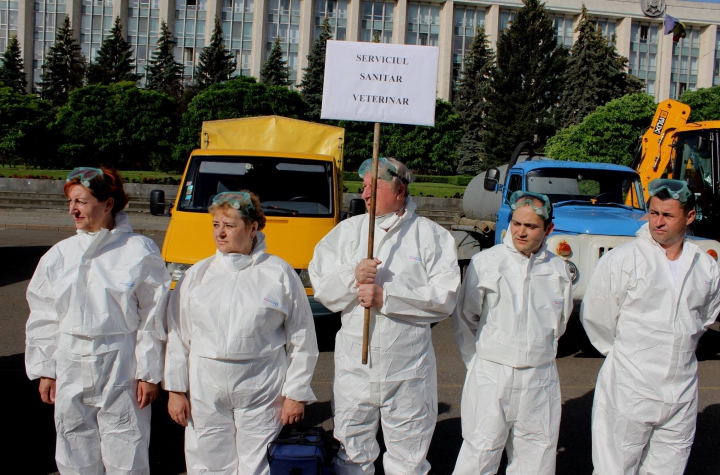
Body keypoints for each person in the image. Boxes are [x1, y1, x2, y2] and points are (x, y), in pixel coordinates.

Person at [309, 157, 460, 475]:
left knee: (408, 459)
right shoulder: (348, 233)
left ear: (400, 190)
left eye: (372, 187)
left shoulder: (431, 237)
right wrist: (353, 276)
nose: (364, 194)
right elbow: (322, 287)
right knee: (352, 455)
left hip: (408, 372)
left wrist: (386, 297)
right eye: (363, 187)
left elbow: (445, 298)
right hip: (356, 369)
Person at [25, 167, 170, 475]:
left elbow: (153, 315)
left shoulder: (137, 251)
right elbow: (44, 315)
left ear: (108, 204)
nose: (73, 209)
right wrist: (46, 369)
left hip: (119, 360)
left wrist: (148, 373)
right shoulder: (60, 255)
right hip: (70, 358)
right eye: (71, 201)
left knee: (126, 446)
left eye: (82, 201)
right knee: (73, 444)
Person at [164, 191, 319, 475]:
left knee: (258, 465)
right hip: (205, 384)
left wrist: (296, 393)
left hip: (261, 385)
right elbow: (179, 335)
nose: (220, 233)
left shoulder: (278, 273)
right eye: (216, 225)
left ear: (252, 227)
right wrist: (176, 390)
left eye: (229, 225)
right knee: (208, 463)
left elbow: (302, 338)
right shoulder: (197, 275)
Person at [581, 179, 720, 475]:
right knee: (615, 468)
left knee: (668, 468)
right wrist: (628, 357)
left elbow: (706, 317)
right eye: (653, 213)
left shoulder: (704, 265)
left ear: (690, 216)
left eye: (668, 215)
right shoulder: (624, 258)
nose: (658, 222)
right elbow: (597, 315)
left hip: (681, 388)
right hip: (630, 385)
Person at [452, 191, 573, 475]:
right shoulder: (487, 263)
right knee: (480, 453)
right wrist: (478, 364)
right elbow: (465, 317)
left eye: (531, 226)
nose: (521, 231)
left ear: (548, 229)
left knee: (537, 456)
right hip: (492, 375)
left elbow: (561, 322)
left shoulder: (559, 270)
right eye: (517, 223)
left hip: (539, 377)